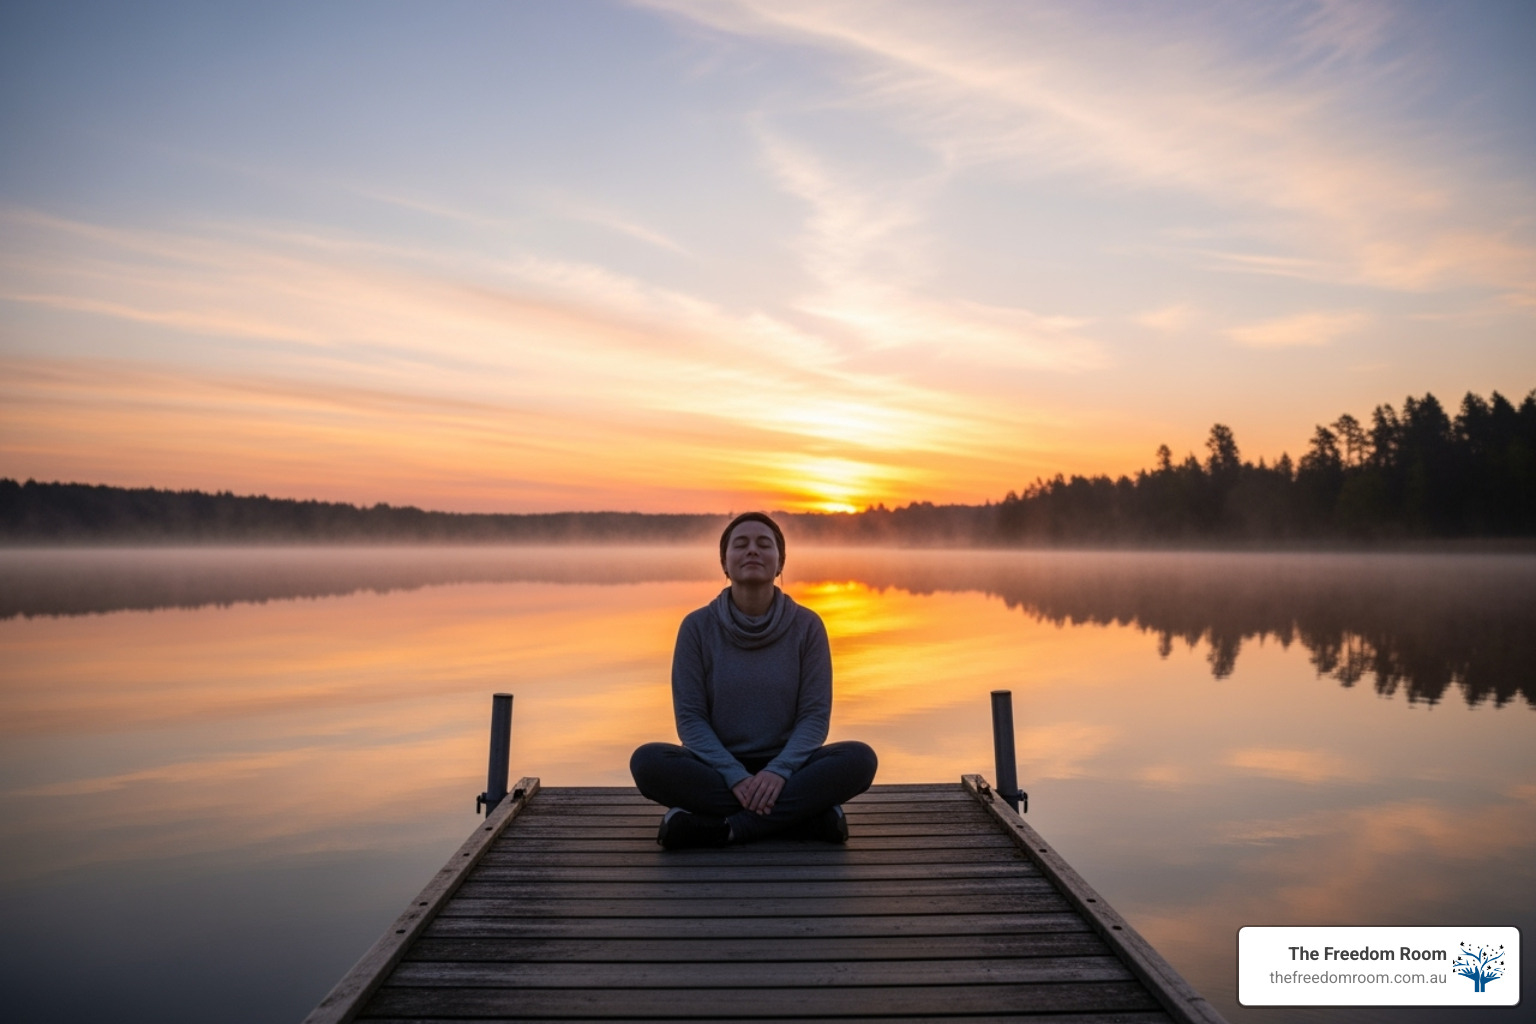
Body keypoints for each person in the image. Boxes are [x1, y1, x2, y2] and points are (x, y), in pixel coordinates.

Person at [630, 511, 878, 849]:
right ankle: (806, 818)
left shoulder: (807, 626)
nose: (752, 551)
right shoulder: (696, 627)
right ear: (724, 562)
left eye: (764, 544)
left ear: (779, 564)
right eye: (741, 544)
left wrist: (779, 771)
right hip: (715, 768)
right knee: (647, 762)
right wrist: (734, 775)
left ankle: (726, 828)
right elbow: (690, 719)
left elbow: (814, 717)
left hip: (791, 767)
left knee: (860, 760)